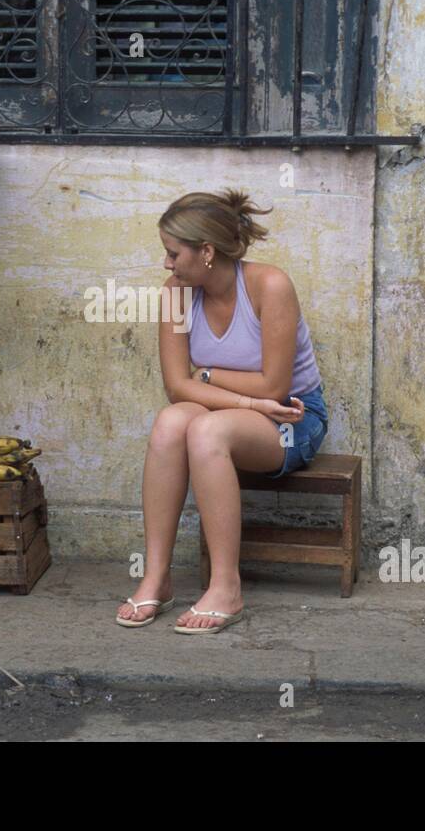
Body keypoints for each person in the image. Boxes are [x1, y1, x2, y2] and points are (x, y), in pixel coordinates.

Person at [115, 189, 328, 633]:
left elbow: (276, 387)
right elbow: (177, 387)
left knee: (207, 432)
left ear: (207, 252)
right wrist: (242, 398)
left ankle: (226, 587)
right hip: (239, 410)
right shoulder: (175, 295)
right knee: (172, 422)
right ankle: (157, 576)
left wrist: (208, 375)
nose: (167, 264)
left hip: (293, 418)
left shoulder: (270, 286)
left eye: (173, 253)